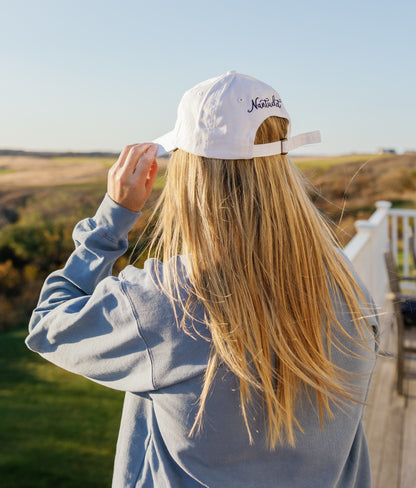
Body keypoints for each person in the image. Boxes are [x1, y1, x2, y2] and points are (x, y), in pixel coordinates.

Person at [26, 71, 379, 488]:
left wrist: (111, 222)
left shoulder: (166, 301)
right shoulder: (344, 281)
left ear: (192, 174)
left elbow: (49, 324)